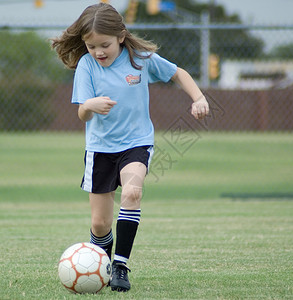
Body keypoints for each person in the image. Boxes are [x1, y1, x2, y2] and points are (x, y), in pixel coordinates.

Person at [51, 3, 209, 292]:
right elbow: (81, 114)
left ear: (121, 37)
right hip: (99, 149)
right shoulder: (87, 66)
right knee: (100, 224)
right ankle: (102, 262)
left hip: (136, 143)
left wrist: (198, 97)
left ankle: (120, 266)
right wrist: (89, 105)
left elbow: (178, 73)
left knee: (133, 192)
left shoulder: (140, 59)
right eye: (91, 46)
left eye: (104, 44)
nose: (98, 51)